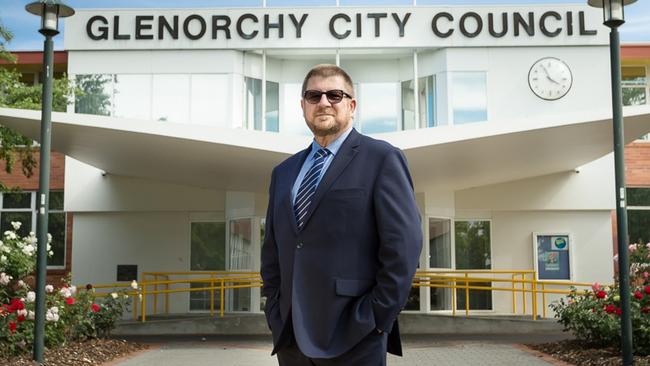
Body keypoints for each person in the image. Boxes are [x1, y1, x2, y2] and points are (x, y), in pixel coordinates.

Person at [261, 64, 422, 366]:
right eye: (313, 95)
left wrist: (376, 317)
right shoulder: (283, 173)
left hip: (354, 335)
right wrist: (275, 310)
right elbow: (272, 250)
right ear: (303, 106)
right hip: (291, 339)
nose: (323, 102)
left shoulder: (382, 159)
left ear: (352, 105)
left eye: (334, 95)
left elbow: (404, 247)